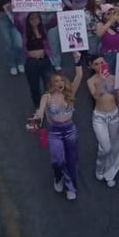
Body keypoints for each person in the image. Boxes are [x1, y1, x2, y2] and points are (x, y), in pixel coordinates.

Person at [34, 58, 84, 201]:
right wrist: (37, 117)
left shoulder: (70, 93)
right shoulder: (47, 97)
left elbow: (79, 75)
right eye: (56, 81)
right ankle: (58, 176)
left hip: (70, 130)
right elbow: (41, 111)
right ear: (51, 84)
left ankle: (71, 187)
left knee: (71, 160)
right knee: (58, 160)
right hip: (54, 132)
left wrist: (76, 58)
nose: (60, 83)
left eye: (61, 80)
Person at [87, 54, 119, 188]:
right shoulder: (91, 81)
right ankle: (100, 166)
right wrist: (102, 80)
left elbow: (117, 96)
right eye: (97, 63)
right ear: (92, 66)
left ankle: (110, 173)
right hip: (99, 118)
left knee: (115, 146)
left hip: (114, 114)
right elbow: (96, 96)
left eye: (102, 62)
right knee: (105, 148)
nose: (101, 65)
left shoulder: (113, 78)